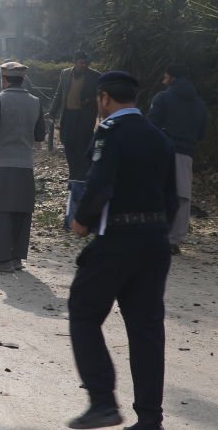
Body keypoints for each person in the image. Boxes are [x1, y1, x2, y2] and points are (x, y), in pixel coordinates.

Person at [65, 72, 177, 430]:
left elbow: (99, 183)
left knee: (83, 310)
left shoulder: (110, 132)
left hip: (118, 239)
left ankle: (102, 402)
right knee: (146, 330)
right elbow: (172, 198)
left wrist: (82, 221)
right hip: (155, 239)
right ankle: (149, 419)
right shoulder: (158, 136)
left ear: (104, 99)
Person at [0, 62, 46, 272]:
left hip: (1, 164)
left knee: (0, 212)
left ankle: (2, 261)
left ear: (4, 79)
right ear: (22, 79)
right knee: (21, 212)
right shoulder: (35, 102)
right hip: (25, 165)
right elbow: (40, 135)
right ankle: (17, 258)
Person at [147, 64, 208, 255]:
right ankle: (173, 240)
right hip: (186, 152)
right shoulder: (199, 103)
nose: (164, 81)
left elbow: (151, 126)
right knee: (182, 197)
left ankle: (154, 235)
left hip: (162, 150)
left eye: (165, 78)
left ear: (172, 78)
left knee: (156, 192)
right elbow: (202, 132)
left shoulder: (163, 98)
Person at [49, 51, 102, 182]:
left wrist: (89, 100)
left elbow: (100, 96)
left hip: (85, 116)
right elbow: (59, 94)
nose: (83, 65)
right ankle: (73, 173)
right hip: (68, 115)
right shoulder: (65, 73)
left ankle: (82, 174)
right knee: (68, 144)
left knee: (82, 145)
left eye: (85, 63)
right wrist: (52, 111)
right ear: (75, 62)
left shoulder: (95, 76)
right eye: (81, 63)